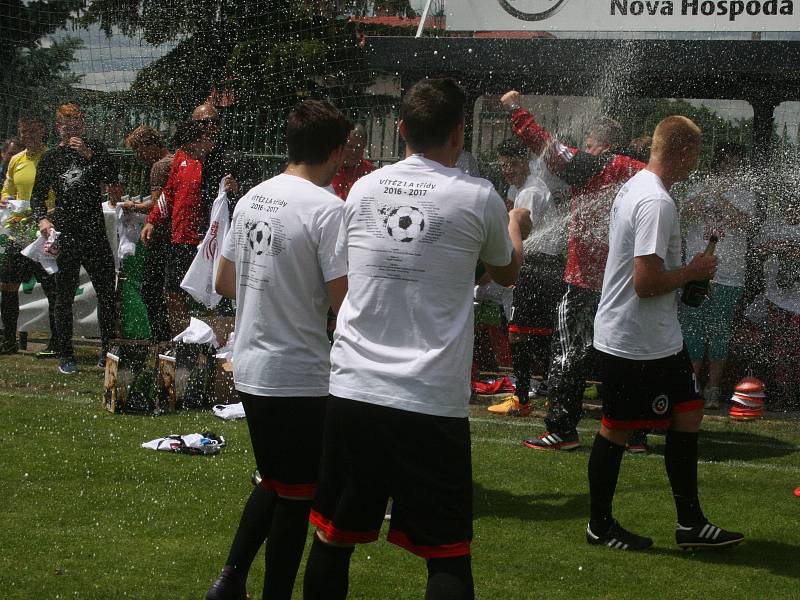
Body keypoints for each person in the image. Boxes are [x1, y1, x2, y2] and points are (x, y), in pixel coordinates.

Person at [303, 78, 531, 600]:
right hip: (430, 399)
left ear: (401, 130)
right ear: (459, 134)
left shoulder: (362, 188)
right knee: (447, 554)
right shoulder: (480, 197)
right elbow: (508, 271)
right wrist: (516, 222)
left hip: (356, 389)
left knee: (333, 540)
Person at [207, 99, 351, 600]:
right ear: (335, 151)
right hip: (298, 372)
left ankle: (229, 580)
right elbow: (344, 301)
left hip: (249, 364)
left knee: (275, 479)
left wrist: (270, 286)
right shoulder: (327, 208)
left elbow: (224, 281)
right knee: (297, 496)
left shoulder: (252, 197)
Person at [587, 115, 744, 551]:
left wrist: (686, 273)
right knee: (616, 428)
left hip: (658, 336)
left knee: (689, 412)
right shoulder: (657, 202)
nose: (696, 164)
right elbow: (645, 282)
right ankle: (600, 526)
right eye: (696, 154)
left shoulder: (638, 186)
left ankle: (690, 523)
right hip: (632, 339)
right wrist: (692, 271)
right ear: (684, 152)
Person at [498, 90, 645, 452]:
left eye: (588, 142)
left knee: (569, 353)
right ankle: (636, 433)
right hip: (626, 282)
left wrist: (517, 110)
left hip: (585, 281)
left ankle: (562, 430)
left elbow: (544, 144)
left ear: (599, 145)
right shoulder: (638, 172)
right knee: (624, 354)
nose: (584, 147)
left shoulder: (595, 165)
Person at [31, 103, 122, 375]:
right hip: (67, 234)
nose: (72, 129)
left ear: (82, 125)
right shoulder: (51, 158)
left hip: (94, 232)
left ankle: (106, 352)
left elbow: (112, 178)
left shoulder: (94, 148)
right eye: (67, 125)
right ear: (59, 127)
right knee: (63, 297)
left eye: (77, 124)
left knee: (106, 293)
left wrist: (88, 154)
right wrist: (42, 219)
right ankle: (65, 354)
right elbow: (37, 196)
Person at [488, 138, 567, 416]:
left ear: (523, 162)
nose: (506, 170)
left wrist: (502, 266)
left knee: (521, 333)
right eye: (503, 165)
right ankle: (547, 394)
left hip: (538, 263)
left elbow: (519, 233)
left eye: (510, 164)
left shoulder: (530, 192)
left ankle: (522, 398)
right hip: (542, 264)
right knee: (536, 333)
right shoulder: (519, 188)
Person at [679, 143, 754, 409]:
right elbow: (684, 214)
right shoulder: (700, 186)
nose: (730, 168)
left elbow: (744, 224)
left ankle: (713, 389)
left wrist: (721, 198)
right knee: (693, 330)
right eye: (726, 163)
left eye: (735, 163)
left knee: (720, 332)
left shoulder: (745, 193)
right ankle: (691, 387)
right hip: (695, 273)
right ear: (718, 164)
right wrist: (707, 193)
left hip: (729, 276)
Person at [141, 120, 214, 336]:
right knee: (172, 292)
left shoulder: (215, 161)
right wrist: (152, 220)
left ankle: (213, 346)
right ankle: (181, 342)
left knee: (209, 296)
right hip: (180, 238)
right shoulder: (182, 157)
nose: (187, 152)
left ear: (202, 140)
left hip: (205, 241)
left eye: (191, 147)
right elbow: (169, 192)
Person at [0, 115, 57, 356]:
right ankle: (9, 340)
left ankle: (57, 341)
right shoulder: (16, 160)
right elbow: (8, 188)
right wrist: (4, 200)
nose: (28, 136)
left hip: (45, 230)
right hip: (19, 231)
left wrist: (51, 213)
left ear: (42, 131)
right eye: (24, 131)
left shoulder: (52, 157)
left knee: (52, 288)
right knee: (7, 283)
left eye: (32, 131)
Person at [124, 125, 174, 342]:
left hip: (162, 237)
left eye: (139, 150)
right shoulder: (176, 160)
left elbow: (156, 205)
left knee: (151, 291)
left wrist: (132, 205)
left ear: (149, 145)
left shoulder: (159, 166)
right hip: (177, 235)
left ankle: (160, 338)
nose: (138, 156)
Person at [755, 195, 800, 411]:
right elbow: (758, 250)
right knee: (780, 350)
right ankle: (784, 395)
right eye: (788, 206)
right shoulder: (773, 225)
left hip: (797, 303)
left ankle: (795, 395)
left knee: (796, 351)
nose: (791, 211)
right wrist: (779, 245)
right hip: (776, 299)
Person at [331, 123, 375, 200]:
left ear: (364, 147)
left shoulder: (370, 172)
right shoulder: (328, 168)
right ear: (341, 145)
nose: (354, 151)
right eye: (349, 146)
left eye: (358, 147)